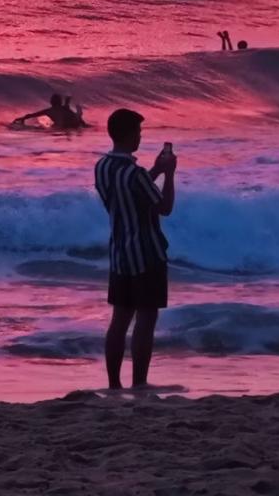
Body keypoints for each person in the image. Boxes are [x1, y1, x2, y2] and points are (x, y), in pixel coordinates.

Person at [94, 108, 176, 390]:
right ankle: (139, 382)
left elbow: (128, 193)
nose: (140, 137)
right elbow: (164, 208)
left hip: (119, 252)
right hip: (147, 251)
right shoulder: (134, 173)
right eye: (139, 132)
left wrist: (153, 170)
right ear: (130, 135)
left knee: (119, 319)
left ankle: (114, 383)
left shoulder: (102, 167)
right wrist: (168, 174)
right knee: (146, 317)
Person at [12, 93, 87, 129]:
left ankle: (77, 115)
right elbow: (74, 117)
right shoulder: (64, 109)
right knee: (76, 119)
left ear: (51, 102)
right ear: (60, 102)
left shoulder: (49, 111)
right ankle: (78, 115)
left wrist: (21, 119)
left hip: (62, 127)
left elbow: (31, 115)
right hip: (73, 125)